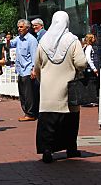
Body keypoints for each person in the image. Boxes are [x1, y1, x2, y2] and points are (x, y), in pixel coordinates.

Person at [34, 11, 87, 163]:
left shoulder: (43, 41)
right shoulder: (72, 40)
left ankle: (47, 150)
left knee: (48, 123)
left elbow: (37, 66)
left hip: (48, 92)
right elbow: (81, 63)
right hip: (69, 90)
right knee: (70, 122)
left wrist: (41, 79)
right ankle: (71, 148)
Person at [10, 19, 39, 122]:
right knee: (22, 94)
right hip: (20, 70)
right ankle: (26, 112)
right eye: (18, 27)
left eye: (21, 27)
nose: (19, 29)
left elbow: (34, 56)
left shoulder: (31, 40)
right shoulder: (18, 39)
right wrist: (8, 40)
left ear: (27, 28)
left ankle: (30, 113)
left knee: (29, 94)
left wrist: (33, 70)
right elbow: (10, 44)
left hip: (28, 70)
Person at [82, 33, 99, 106]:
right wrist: (94, 69)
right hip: (90, 69)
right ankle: (91, 100)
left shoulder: (85, 47)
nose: (94, 39)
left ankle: (87, 100)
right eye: (93, 38)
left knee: (88, 83)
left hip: (86, 69)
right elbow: (88, 59)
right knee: (92, 83)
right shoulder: (89, 47)